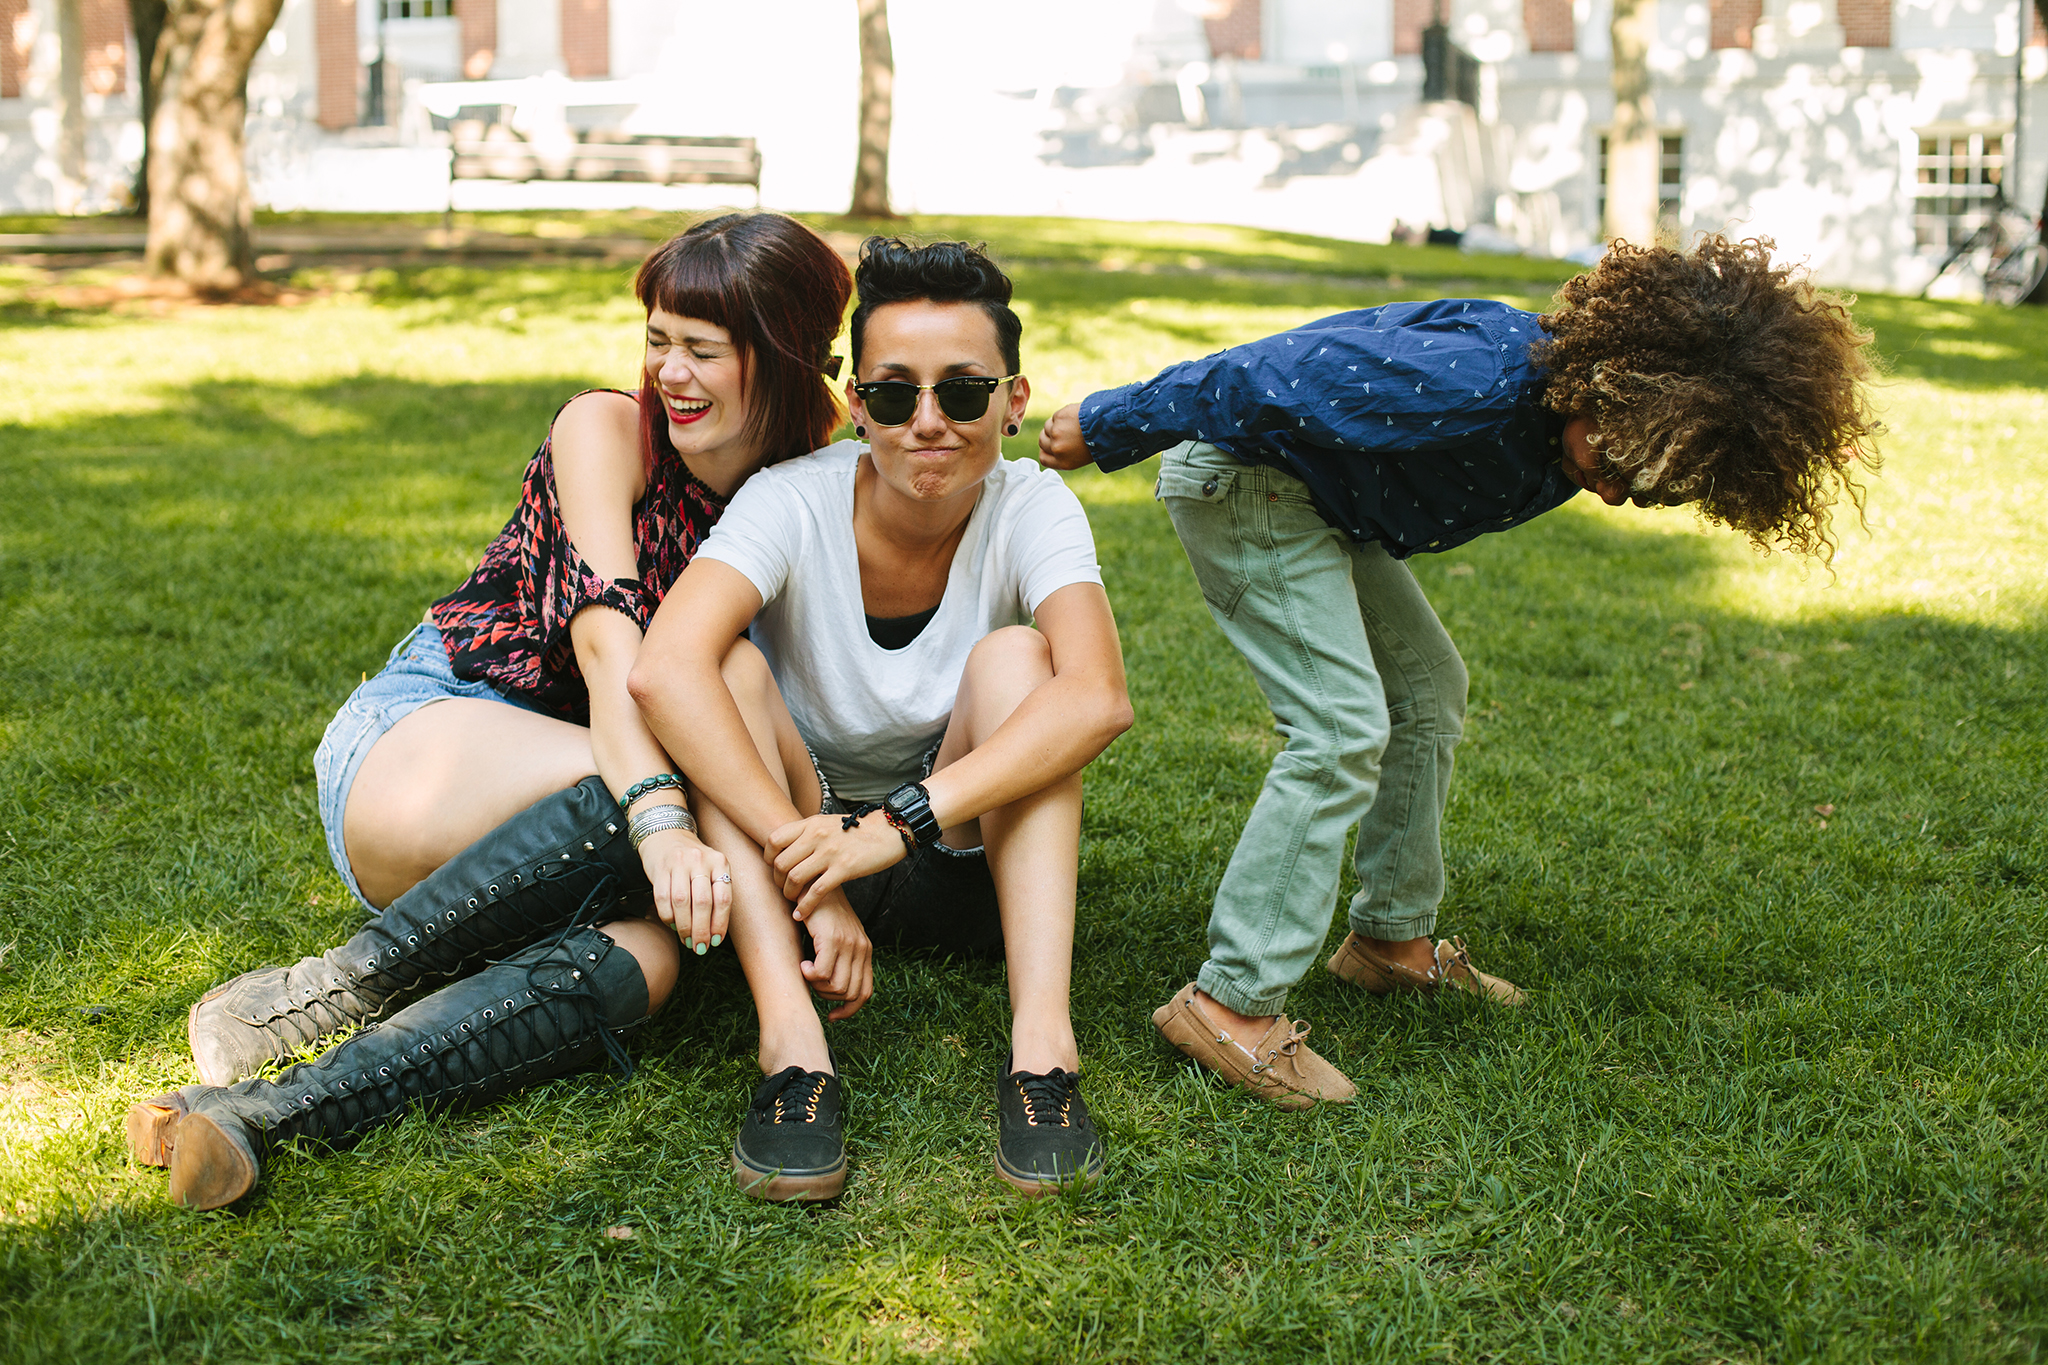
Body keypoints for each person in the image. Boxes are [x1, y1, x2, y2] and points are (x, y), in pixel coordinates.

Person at [1037, 234, 1879, 1109]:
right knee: (1339, 728)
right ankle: (1229, 1004)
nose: (1618, 493)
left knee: (1428, 692)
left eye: (1654, 491)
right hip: (1249, 484)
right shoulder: (1480, 379)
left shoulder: (1576, 424)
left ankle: (1388, 943)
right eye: (1622, 464)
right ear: (1611, 381)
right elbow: (1262, 376)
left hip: (1324, 502)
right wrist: (1110, 421)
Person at [125, 212, 854, 1210]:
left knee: (643, 969)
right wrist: (663, 817)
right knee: (693, 730)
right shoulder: (605, 429)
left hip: (597, 825)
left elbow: (774, 692)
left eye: (701, 350)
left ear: (779, 358)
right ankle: (327, 990)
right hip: (439, 737)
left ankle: (270, 1114)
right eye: (657, 341)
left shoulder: (805, 484)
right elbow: (612, 645)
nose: (669, 375)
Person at [629, 238, 1133, 1201]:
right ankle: (793, 1052)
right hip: (802, 855)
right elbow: (663, 669)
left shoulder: (1034, 503)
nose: (929, 423)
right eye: (896, 396)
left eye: (964, 391)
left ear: (1014, 401)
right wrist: (815, 863)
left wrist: (892, 828)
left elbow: (1098, 696)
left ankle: (1043, 1058)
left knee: (1022, 661)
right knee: (722, 668)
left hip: (951, 854)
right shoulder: (792, 500)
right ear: (858, 407)